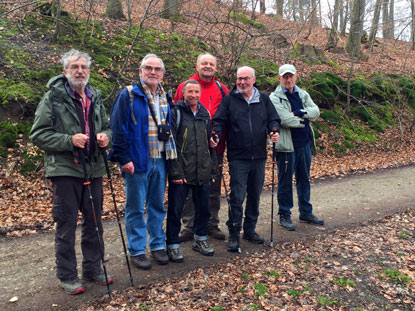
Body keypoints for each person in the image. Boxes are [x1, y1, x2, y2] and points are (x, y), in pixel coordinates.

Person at [30, 49, 113, 295]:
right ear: (65, 71)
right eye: (74, 67)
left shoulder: (95, 96)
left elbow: (108, 128)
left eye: (83, 67)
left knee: (95, 222)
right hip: (66, 169)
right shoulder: (53, 98)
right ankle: (67, 275)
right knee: (66, 224)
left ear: (88, 71)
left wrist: (105, 138)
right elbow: (38, 134)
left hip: (94, 167)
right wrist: (68, 140)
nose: (80, 71)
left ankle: (93, 268)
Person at [108, 54, 177, 270]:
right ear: (140, 71)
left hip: (161, 160)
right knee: (136, 207)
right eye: (149, 68)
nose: (153, 72)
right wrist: (123, 158)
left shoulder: (167, 97)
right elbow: (117, 128)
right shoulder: (128, 95)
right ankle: (137, 250)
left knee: (157, 205)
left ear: (163, 74)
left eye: (157, 69)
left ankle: (157, 245)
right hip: (137, 161)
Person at [212, 66, 280, 252]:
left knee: (255, 195)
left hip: (259, 156)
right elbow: (218, 121)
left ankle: (250, 230)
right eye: (239, 79)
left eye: (246, 79)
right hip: (238, 157)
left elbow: (273, 119)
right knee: (237, 196)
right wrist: (215, 134)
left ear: (253, 79)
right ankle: (234, 234)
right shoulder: (229, 100)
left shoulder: (264, 99)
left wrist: (274, 131)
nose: (242, 82)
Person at [174, 53, 229, 242]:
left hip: (214, 148)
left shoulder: (222, 88)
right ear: (197, 66)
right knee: (188, 189)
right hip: (187, 149)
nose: (207, 66)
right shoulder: (185, 86)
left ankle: (210, 224)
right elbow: (176, 114)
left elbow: (227, 116)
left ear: (216, 67)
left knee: (212, 188)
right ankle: (189, 226)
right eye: (204, 63)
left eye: (211, 64)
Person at [166, 79, 218, 262]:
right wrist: (176, 172)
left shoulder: (205, 114)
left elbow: (210, 144)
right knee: (176, 210)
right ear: (183, 93)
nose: (194, 95)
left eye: (197, 92)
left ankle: (201, 240)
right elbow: (170, 144)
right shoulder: (175, 113)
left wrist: (213, 170)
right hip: (182, 171)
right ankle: (172, 245)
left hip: (202, 170)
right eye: (190, 92)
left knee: (204, 209)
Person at [269, 64, 324, 231]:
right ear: (279, 78)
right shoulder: (274, 98)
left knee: (304, 179)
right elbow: (284, 120)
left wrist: (299, 113)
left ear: (296, 76)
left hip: (304, 144)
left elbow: (316, 112)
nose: (288, 79)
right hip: (286, 146)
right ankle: (284, 214)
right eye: (284, 76)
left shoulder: (303, 93)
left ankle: (306, 212)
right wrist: (305, 119)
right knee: (285, 181)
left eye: (290, 76)